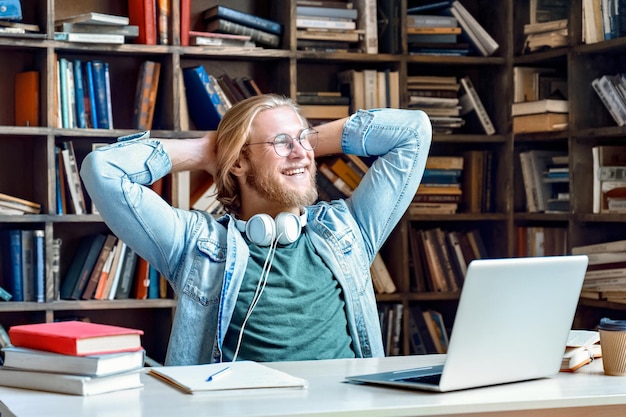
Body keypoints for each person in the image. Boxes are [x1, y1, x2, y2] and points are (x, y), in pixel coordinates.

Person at [80, 94, 432, 366]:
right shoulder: (195, 244)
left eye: (303, 140)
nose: (301, 154)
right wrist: (208, 150)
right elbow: (103, 170)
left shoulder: (349, 230)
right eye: (281, 143)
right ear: (237, 162)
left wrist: (306, 143)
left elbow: (413, 131)